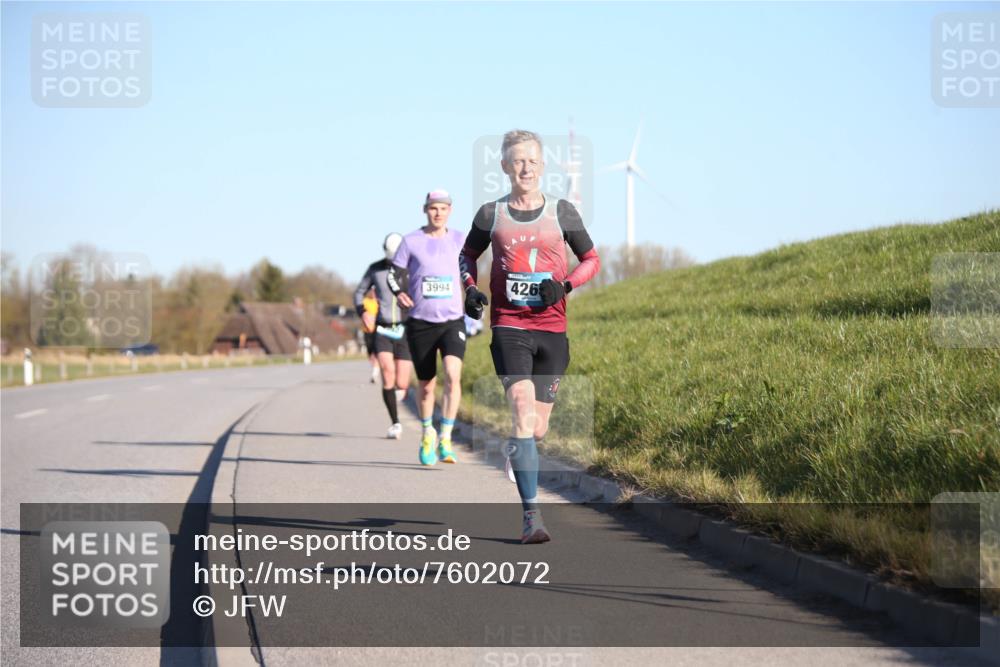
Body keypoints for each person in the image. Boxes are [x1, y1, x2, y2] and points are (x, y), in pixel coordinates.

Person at [459, 130, 600, 544]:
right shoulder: (491, 214)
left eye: (533, 161)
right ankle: (531, 516)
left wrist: (566, 286)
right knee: (522, 414)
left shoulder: (562, 212)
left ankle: (518, 448)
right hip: (509, 326)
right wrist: (470, 288)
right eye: (517, 161)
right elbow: (467, 254)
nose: (526, 168)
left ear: (542, 166)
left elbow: (591, 260)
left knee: (536, 429)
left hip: (552, 329)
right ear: (505, 166)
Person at [388, 190, 467, 466]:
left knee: (453, 375)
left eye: (443, 208)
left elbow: (470, 271)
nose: (438, 213)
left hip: (452, 319)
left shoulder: (459, 239)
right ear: (425, 210)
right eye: (433, 208)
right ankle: (426, 433)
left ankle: (445, 436)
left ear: (450, 211)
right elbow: (393, 275)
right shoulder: (411, 241)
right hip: (421, 321)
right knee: (426, 386)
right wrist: (399, 293)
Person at [354, 233, 413, 439]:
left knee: (403, 382)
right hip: (383, 328)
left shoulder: (411, 267)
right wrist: (363, 312)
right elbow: (358, 292)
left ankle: (399, 394)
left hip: (406, 329)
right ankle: (395, 423)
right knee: (387, 372)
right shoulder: (375, 269)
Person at [361, 292, 380, 383]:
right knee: (370, 353)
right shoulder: (365, 302)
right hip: (367, 331)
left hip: (377, 331)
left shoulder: (379, 302)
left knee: (376, 353)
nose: (373, 293)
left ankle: (375, 373)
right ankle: (375, 369)